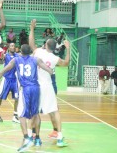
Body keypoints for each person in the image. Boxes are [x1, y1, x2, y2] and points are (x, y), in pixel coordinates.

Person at [0, 44, 53, 152]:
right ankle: (38, 139)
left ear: (20, 51)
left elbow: (2, 71)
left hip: (25, 89)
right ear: (30, 51)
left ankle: (27, 138)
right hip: (36, 88)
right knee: (35, 114)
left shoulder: (16, 60)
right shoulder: (36, 60)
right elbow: (50, 70)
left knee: (21, 115)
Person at [29, 19, 69, 147]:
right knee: (55, 110)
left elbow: (31, 44)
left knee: (35, 112)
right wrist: (68, 49)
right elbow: (66, 63)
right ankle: (60, 138)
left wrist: (32, 28)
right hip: (48, 86)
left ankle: (33, 136)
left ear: (46, 45)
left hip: (37, 86)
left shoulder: (39, 52)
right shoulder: (55, 58)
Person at [0, 43, 20, 123]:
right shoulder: (5, 55)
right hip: (6, 79)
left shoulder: (17, 56)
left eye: (14, 46)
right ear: (8, 47)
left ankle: (15, 116)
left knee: (17, 98)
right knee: (0, 97)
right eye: (11, 46)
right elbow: (1, 60)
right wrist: (1, 58)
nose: (13, 47)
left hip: (14, 80)